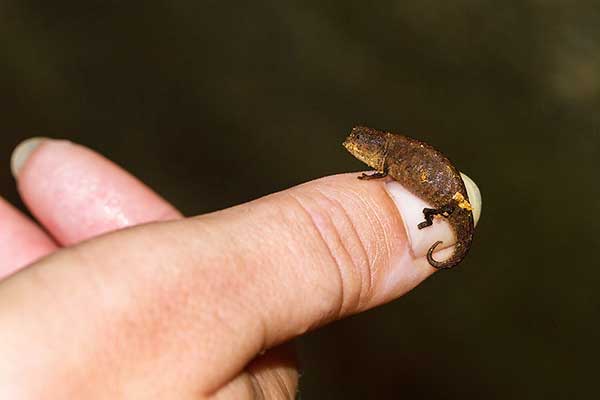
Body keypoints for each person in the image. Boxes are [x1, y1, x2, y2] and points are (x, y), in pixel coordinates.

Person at [0, 138, 480, 398]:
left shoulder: (391, 158)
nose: (353, 151)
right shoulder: (389, 152)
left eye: (361, 150)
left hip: (443, 198)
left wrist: (359, 236)